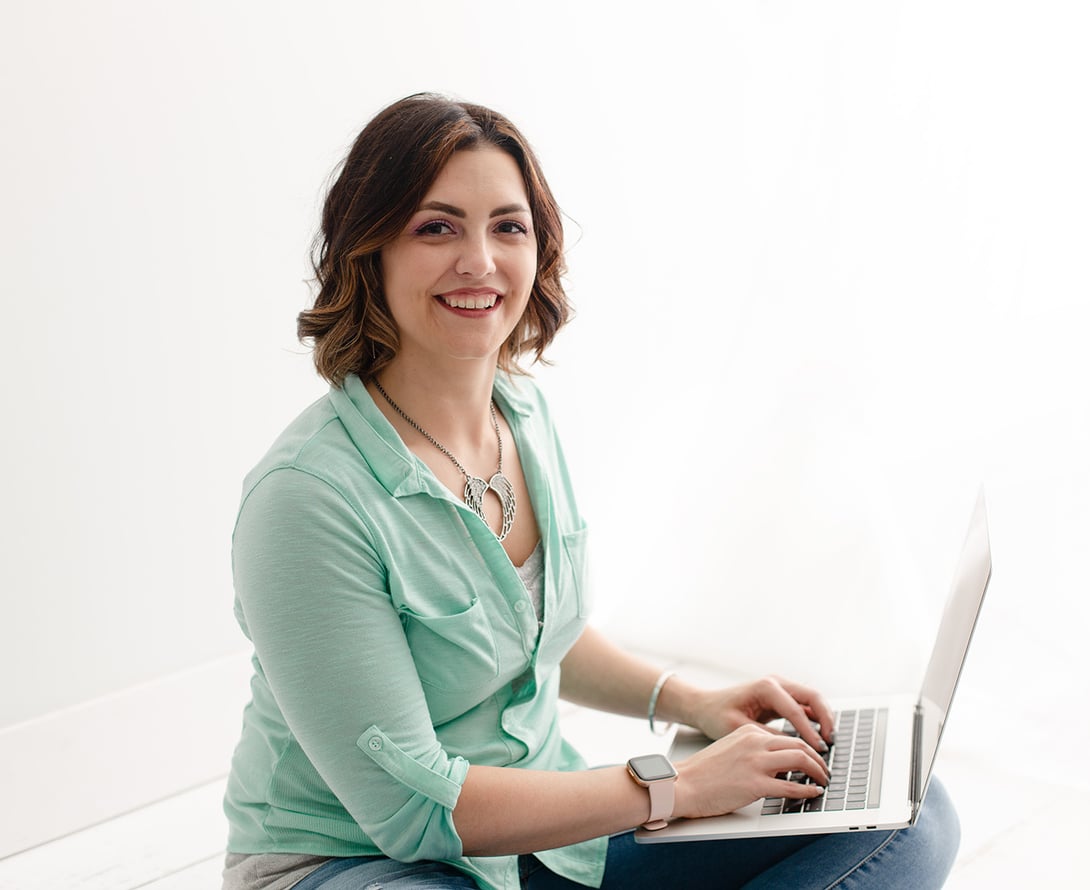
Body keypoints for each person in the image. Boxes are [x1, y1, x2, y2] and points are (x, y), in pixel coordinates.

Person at [221, 93, 960, 890]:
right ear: (371, 252)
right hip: (361, 862)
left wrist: (694, 704)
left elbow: (543, 635)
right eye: (436, 227)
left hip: (544, 838)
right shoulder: (306, 501)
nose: (479, 260)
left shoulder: (523, 418)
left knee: (914, 816)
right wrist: (676, 787)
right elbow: (413, 811)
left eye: (508, 226)